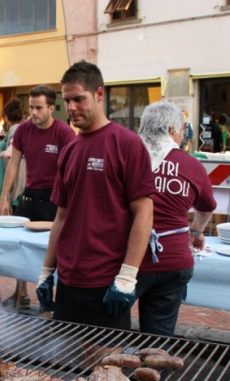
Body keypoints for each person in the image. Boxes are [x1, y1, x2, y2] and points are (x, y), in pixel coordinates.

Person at [39, 61, 155, 329]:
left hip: (106, 280)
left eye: (79, 99)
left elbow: (144, 213)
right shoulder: (69, 150)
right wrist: (47, 272)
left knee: (106, 365)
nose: (71, 108)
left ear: (99, 94)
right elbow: (61, 217)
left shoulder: (127, 143)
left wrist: (127, 277)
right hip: (69, 280)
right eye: (67, 100)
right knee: (66, 362)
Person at [136, 101, 216, 336]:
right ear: (172, 131)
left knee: (109, 329)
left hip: (129, 258)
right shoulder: (190, 164)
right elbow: (206, 208)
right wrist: (197, 231)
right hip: (174, 259)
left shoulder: (127, 157)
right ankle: (151, 370)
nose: (182, 136)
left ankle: (110, 367)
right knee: (158, 337)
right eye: (181, 130)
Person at [0, 85, 75, 310]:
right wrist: (5, 197)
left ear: (51, 108)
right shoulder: (23, 130)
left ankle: (49, 300)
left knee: (52, 251)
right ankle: (21, 294)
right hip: (30, 197)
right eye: (31, 107)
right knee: (21, 247)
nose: (33, 112)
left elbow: (70, 169)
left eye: (39, 108)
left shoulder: (64, 132)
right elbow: (13, 164)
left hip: (54, 199)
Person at [0, 99, 25, 215]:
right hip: (16, 176)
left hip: (15, 177)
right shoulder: (21, 128)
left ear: (6, 117)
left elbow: (14, 143)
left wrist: (7, 151)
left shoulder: (15, 129)